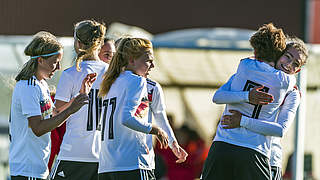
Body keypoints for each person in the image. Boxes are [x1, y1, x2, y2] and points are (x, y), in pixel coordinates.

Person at [201, 23, 296, 180]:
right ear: (279, 53)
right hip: (253, 151)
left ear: (256, 49)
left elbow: (217, 97)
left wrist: (245, 96)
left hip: (223, 145)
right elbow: (280, 129)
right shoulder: (286, 81)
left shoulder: (244, 65)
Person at [218, 37, 308, 180]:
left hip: (268, 159)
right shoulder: (250, 69)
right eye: (287, 57)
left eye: (295, 64)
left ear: (297, 70)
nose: (289, 64)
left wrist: (242, 121)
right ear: (279, 54)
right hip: (235, 149)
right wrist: (247, 96)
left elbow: (280, 130)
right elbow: (218, 96)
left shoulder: (292, 92)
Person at [8, 31, 93, 180]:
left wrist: (77, 98)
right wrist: (72, 110)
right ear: (40, 60)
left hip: (37, 169)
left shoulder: (41, 84)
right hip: (27, 170)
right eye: (55, 61)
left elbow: (54, 114)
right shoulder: (29, 87)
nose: (59, 67)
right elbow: (38, 128)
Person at [98, 37, 169, 180]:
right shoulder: (137, 80)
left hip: (107, 166)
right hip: (132, 164)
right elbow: (126, 118)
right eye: (148, 60)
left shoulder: (110, 81)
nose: (152, 65)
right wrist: (156, 130)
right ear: (131, 60)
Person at [50, 20, 107, 180]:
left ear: (79, 43)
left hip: (73, 152)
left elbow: (57, 115)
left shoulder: (71, 74)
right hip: (104, 156)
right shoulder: (112, 73)